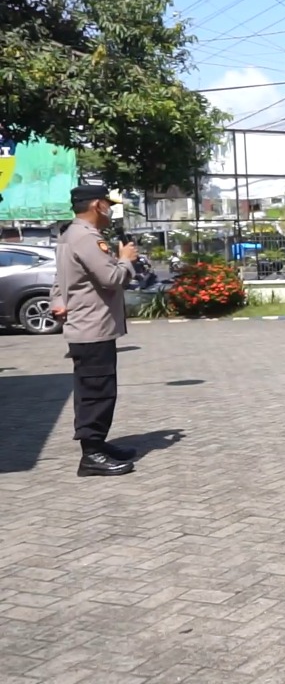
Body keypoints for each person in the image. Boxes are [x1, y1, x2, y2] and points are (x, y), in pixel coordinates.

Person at [49, 185, 139, 476]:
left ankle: (98, 444)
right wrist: (126, 258)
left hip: (86, 325)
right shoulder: (87, 237)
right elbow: (111, 277)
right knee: (97, 391)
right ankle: (92, 454)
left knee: (94, 388)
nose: (111, 211)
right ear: (98, 206)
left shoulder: (69, 234)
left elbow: (60, 279)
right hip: (92, 327)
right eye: (108, 205)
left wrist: (57, 301)